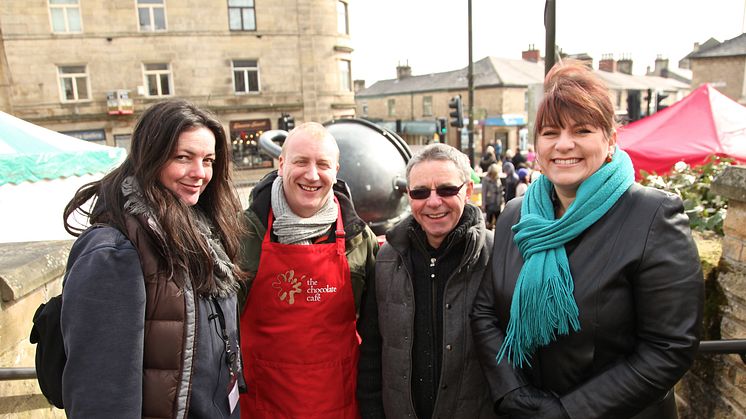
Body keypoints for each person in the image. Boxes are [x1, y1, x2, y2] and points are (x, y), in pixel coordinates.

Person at [471, 60, 704, 419]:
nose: (564, 145)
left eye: (581, 130)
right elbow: (485, 312)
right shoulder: (517, 214)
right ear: (537, 145)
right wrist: (513, 392)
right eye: (550, 133)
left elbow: (668, 347)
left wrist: (569, 412)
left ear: (610, 140)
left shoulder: (653, 216)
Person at [60, 99, 245, 417]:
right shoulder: (114, 251)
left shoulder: (201, 230)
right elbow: (101, 393)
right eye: (183, 158)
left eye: (209, 160)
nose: (199, 173)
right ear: (151, 157)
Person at [237, 122, 378, 418]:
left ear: (336, 169)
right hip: (264, 403)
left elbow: (375, 332)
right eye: (301, 161)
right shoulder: (241, 234)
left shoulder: (357, 238)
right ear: (281, 163)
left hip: (337, 401)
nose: (312, 175)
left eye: (323, 164)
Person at [357, 143, 496, 418]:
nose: (434, 202)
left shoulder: (497, 255)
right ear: (409, 196)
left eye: (446, 189)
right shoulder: (386, 258)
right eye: (421, 192)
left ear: (467, 191)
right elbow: (372, 353)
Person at [482, 163, 503, 230]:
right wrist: (483, 204)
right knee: (489, 223)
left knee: (499, 223)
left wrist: (501, 201)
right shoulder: (485, 179)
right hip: (490, 203)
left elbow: (500, 190)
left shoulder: (498, 178)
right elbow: (484, 192)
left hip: (497, 204)